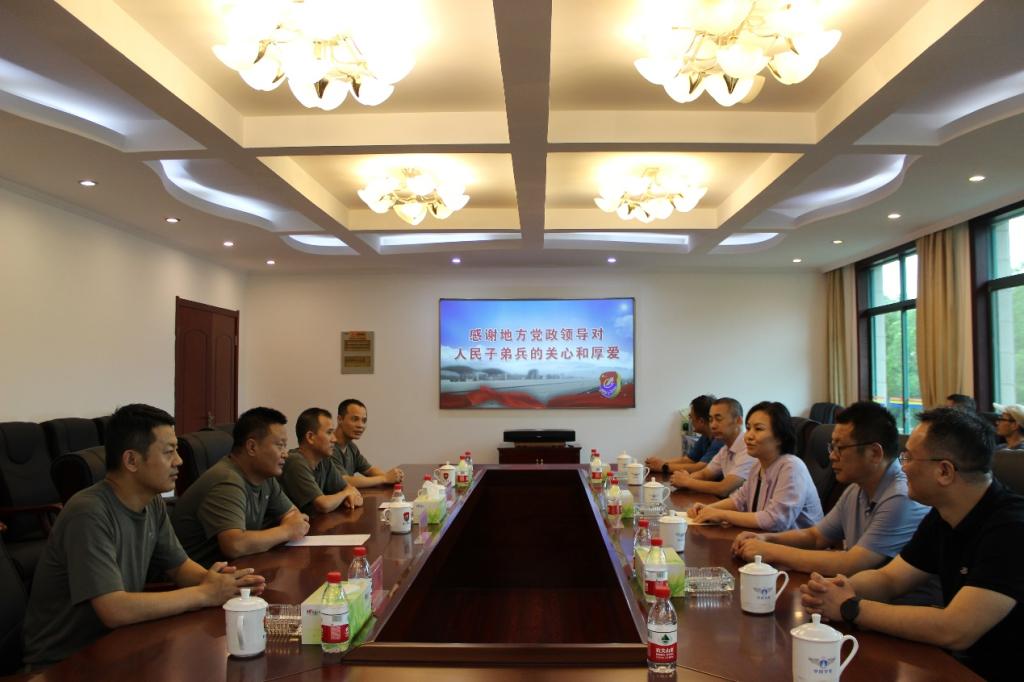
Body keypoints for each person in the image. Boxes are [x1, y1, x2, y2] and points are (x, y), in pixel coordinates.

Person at [22, 404, 265, 667]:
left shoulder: (152, 503)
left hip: (119, 645)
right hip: (64, 663)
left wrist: (218, 582)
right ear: (131, 461)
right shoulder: (88, 512)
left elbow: (179, 567)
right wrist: (206, 594)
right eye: (169, 452)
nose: (179, 461)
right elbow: (114, 609)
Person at [800, 408, 1024, 682]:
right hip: (954, 664)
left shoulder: (1012, 528)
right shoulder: (943, 515)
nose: (902, 467)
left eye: (908, 458)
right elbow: (890, 579)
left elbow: (956, 628)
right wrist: (835, 589)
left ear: (944, 471)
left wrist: (850, 606)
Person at [732, 401, 929, 576]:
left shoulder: (900, 496)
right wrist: (766, 538)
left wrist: (770, 551)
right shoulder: (856, 489)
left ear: (875, 453)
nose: (832, 456)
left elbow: (852, 563)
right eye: (831, 447)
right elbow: (816, 536)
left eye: (839, 448)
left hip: (898, 603)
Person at [172, 407, 310, 567]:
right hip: (199, 576)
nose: (285, 453)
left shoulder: (265, 477)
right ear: (252, 447)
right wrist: (287, 531)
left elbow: (293, 514)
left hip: (237, 568)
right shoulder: (226, 480)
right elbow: (235, 545)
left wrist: (291, 524)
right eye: (280, 446)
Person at [688, 401, 822, 531]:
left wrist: (722, 515)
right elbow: (739, 501)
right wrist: (708, 508)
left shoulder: (792, 467)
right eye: (748, 428)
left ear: (780, 437)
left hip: (795, 545)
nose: (748, 436)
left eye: (758, 429)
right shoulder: (758, 466)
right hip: (765, 540)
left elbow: (775, 520)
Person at [281, 407, 363, 515]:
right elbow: (323, 505)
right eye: (329, 432)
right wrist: (346, 494)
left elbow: (353, 492)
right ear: (310, 437)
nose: (334, 439)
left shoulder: (324, 460)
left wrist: (348, 494)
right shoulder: (294, 461)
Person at [668, 397, 755, 497]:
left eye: (718, 419)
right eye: (711, 420)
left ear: (738, 421)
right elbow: (705, 474)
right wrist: (685, 479)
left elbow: (723, 488)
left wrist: (687, 482)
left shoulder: (749, 449)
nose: (713, 425)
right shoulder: (725, 449)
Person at [332, 399, 404, 488]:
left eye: (364, 420)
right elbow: (345, 481)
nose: (360, 425)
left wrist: (392, 477)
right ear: (340, 419)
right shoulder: (328, 446)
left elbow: (369, 470)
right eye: (355, 419)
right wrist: (385, 478)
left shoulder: (351, 446)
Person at [646, 394, 724, 475]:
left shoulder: (720, 440)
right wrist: (660, 462)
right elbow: (689, 459)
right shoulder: (705, 436)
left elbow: (702, 467)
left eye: (691, 417)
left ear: (701, 421)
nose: (690, 420)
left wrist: (664, 467)